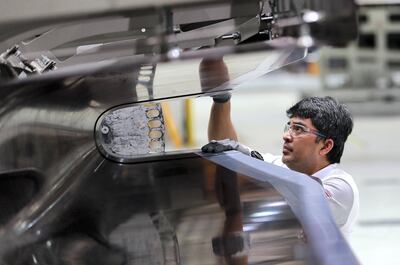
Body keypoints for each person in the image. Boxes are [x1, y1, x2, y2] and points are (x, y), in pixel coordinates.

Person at [199, 58, 359, 239]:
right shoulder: (283, 169)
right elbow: (226, 152)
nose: (287, 135)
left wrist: (255, 164)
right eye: (289, 127)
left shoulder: (341, 186)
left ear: (326, 146)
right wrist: (221, 99)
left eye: (299, 129)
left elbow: (306, 197)